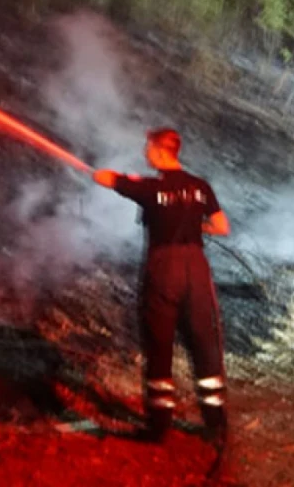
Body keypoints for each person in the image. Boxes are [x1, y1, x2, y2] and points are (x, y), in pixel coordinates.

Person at [93, 127, 232, 477]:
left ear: (158, 151)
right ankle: (215, 422)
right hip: (196, 270)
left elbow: (106, 178)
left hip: (164, 268)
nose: (145, 153)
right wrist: (197, 229)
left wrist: (108, 175)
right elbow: (222, 227)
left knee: (160, 342)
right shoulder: (201, 186)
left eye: (147, 148)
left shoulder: (151, 188)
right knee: (204, 340)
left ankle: (158, 428)